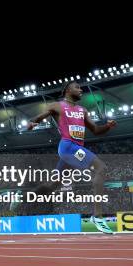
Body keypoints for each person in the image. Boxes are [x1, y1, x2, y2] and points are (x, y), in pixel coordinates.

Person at [27, 81, 116, 233]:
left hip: (74, 150)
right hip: (68, 146)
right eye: (77, 87)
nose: (81, 90)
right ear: (68, 90)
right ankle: (98, 216)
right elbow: (38, 117)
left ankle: (24, 197)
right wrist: (32, 123)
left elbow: (95, 130)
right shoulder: (57, 106)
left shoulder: (83, 110)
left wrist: (107, 126)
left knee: (52, 186)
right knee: (101, 168)